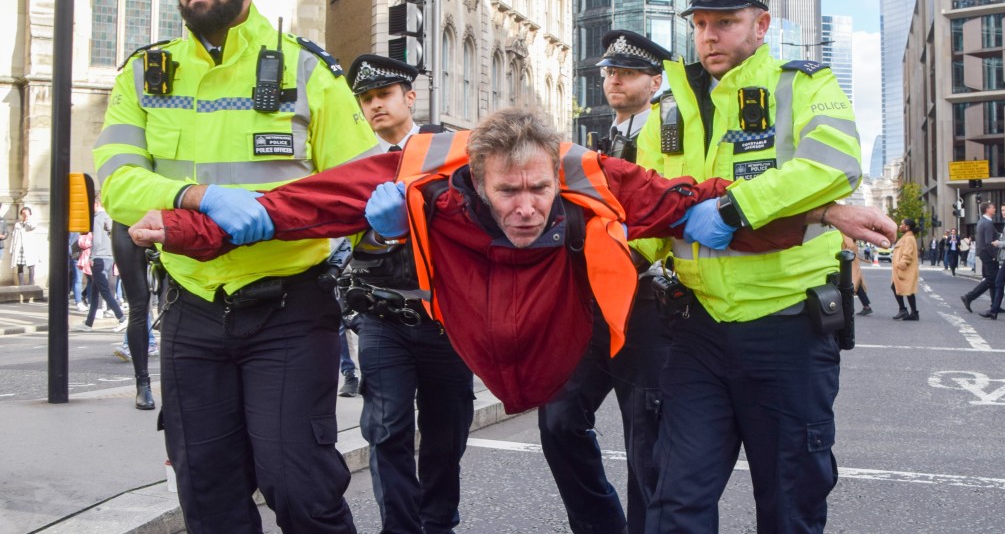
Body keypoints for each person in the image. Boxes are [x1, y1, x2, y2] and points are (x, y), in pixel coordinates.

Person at [128, 108, 895, 417]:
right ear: (478, 179)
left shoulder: (587, 171)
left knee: (610, 426)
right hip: (469, 323)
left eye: (537, 190)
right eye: (509, 192)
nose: (527, 206)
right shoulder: (422, 168)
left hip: (560, 330)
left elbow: (696, 200)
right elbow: (287, 209)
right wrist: (178, 227)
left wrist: (823, 211)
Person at [92, 0, 377, 533]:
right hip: (191, 311)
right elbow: (116, 183)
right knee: (207, 495)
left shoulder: (309, 71)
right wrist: (196, 198)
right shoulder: (145, 74)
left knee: (300, 488)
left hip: (289, 309)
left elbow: (359, 184)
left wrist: (376, 218)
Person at [633, 0, 868, 533]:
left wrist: (735, 207)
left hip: (786, 329)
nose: (709, 35)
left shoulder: (803, 82)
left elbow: (834, 165)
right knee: (675, 501)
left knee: (790, 506)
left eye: (725, 22)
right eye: (700, 24)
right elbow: (646, 207)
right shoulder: (669, 107)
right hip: (696, 329)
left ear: (760, 26)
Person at [541, 30, 671, 534]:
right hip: (593, 303)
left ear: (654, 82)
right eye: (609, 72)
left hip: (649, 308)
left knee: (648, 447)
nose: (614, 79)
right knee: (558, 421)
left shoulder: (670, 131)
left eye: (628, 72)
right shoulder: (596, 141)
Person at [346, 54, 475, 534]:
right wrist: (382, 236)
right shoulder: (358, 168)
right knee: (386, 430)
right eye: (366, 99)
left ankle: (437, 523)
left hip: (445, 320)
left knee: (447, 432)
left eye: (384, 95)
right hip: (384, 317)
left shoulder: (450, 154)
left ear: (409, 98)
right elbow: (351, 247)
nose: (375, 106)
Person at [111, 221, 160, 410]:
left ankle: (178, 381)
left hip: (166, 218)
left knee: (173, 302)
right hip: (126, 221)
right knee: (139, 305)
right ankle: (143, 384)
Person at [73, 198, 128, 332]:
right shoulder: (110, 217)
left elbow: (96, 241)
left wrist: (92, 256)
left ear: (95, 204)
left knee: (104, 291)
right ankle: (88, 323)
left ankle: (122, 318)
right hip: (109, 257)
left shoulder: (97, 219)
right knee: (95, 291)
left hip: (98, 258)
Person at [962, 202, 998, 313]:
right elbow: (988, 242)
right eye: (993, 207)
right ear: (987, 209)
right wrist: (994, 255)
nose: (995, 209)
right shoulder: (987, 223)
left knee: (994, 279)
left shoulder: (982, 221)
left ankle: (995, 304)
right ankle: (969, 297)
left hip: (983, 253)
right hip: (988, 253)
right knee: (991, 279)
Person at [892, 218, 921, 321]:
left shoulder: (908, 238)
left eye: (901, 224)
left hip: (905, 270)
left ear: (907, 227)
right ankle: (914, 313)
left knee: (895, 287)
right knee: (908, 291)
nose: (900, 226)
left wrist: (901, 265)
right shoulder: (907, 237)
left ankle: (903, 310)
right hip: (905, 270)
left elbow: (907, 254)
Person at [10, 206, 43, 286]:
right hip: (19, 248)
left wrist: (28, 218)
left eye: (26, 213)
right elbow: (14, 237)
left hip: (29, 248)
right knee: (20, 266)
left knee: (31, 266)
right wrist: (11, 249)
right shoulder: (17, 224)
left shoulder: (32, 222)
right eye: (23, 213)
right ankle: (21, 285)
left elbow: (32, 226)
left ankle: (31, 284)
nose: (24, 215)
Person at [844, 234, 873, 316]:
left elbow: (850, 246)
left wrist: (844, 254)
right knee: (857, 284)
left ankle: (848, 309)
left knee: (850, 284)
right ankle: (866, 306)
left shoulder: (844, 232)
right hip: (851, 262)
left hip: (848, 263)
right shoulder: (846, 232)